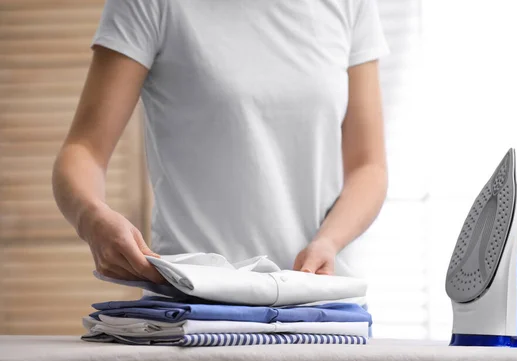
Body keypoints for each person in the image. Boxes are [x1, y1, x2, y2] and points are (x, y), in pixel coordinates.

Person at [52, 0, 390, 284]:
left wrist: (329, 242)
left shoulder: (350, 4)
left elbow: (368, 166)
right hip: (194, 302)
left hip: (317, 299)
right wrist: (91, 217)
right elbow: (84, 150)